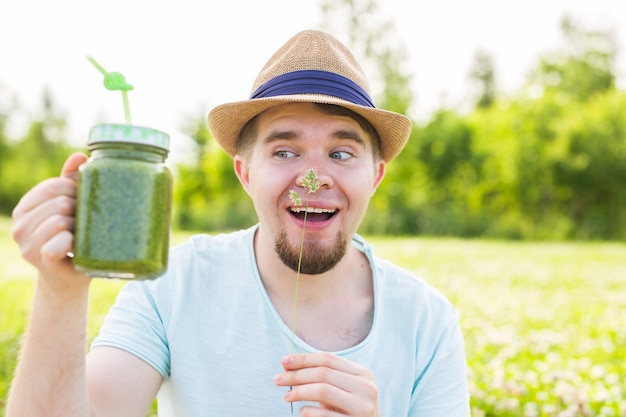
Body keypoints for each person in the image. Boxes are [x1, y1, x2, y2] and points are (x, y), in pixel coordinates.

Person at [7, 30, 470, 416]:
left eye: (341, 153)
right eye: (284, 151)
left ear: (376, 175)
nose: (314, 178)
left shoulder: (427, 323)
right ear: (245, 172)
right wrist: (60, 290)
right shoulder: (173, 284)